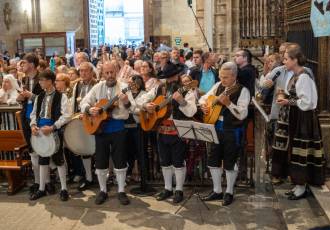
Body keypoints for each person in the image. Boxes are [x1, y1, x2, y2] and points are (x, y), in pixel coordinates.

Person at [137, 61, 197, 203]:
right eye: (167, 77)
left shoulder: (186, 89)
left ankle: (179, 190)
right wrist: (146, 105)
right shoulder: (160, 88)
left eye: (172, 77)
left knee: (178, 162)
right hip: (161, 130)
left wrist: (182, 101)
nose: (169, 80)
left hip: (178, 131)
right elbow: (140, 100)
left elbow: (192, 111)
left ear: (177, 76)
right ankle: (167, 188)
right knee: (165, 162)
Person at [80, 61, 135, 205]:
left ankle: (121, 191)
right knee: (101, 161)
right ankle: (103, 190)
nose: (110, 75)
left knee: (120, 160)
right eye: (107, 73)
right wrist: (89, 110)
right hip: (101, 129)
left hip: (118, 129)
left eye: (112, 72)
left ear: (116, 71)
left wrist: (126, 101)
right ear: (102, 74)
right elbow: (84, 102)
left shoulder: (124, 88)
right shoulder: (97, 87)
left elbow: (133, 108)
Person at [274, 44, 325, 199]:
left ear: (295, 60)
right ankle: (298, 184)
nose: (284, 62)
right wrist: (287, 97)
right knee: (294, 152)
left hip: (304, 119)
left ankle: (302, 187)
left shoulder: (303, 76)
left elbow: (308, 102)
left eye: (286, 59)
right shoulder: (295, 75)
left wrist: (288, 102)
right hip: (297, 117)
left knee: (301, 152)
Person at [199, 62, 250, 206]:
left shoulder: (242, 90)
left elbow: (242, 114)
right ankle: (217, 191)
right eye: (221, 76)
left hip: (232, 131)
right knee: (213, 160)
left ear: (234, 76)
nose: (222, 80)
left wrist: (229, 104)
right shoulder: (218, 86)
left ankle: (229, 191)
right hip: (215, 128)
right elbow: (204, 98)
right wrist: (203, 105)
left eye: (226, 77)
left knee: (230, 161)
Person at [29, 70, 72, 201]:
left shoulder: (61, 96)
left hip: (54, 131)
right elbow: (34, 114)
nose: (40, 82)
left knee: (59, 160)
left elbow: (67, 115)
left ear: (49, 81)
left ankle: (64, 189)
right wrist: (33, 125)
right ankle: (42, 189)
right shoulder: (39, 97)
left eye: (42, 80)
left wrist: (53, 127)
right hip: (40, 131)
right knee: (43, 160)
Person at [16, 53, 45, 196]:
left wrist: (31, 96)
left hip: (38, 119)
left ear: (32, 65)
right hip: (26, 117)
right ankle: (37, 182)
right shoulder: (24, 79)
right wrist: (20, 97)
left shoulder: (42, 78)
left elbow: (46, 100)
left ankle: (44, 183)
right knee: (32, 150)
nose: (22, 66)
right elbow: (23, 98)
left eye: (24, 63)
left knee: (41, 150)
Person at [70, 62, 98, 190]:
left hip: (96, 120)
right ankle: (88, 178)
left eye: (85, 71)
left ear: (92, 72)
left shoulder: (97, 84)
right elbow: (75, 103)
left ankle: (103, 176)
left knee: (98, 149)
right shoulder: (77, 85)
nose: (83, 73)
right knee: (85, 150)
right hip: (82, 120)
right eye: (80, 71)